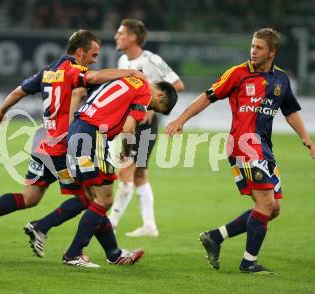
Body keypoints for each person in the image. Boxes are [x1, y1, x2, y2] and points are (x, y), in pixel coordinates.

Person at [0, 30, 146, 247]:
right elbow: (94, 78)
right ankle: (54, 235)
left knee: (29, 198)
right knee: (93, 198)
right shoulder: (74, 70)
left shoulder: (48, 72)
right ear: (80, 52)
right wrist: (130, 73)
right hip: (64, 147)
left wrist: (1, 111)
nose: (94, 61)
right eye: (93, 55)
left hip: (43, 145)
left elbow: (19, 91)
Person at [166, 28, 315, 274]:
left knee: (273, 209)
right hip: (244, 145)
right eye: (252, 46)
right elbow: (207, 97)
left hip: (264, 148)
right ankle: (249, 263)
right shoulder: (238, 73)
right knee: (266, 205)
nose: (253, 51)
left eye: (259, 48)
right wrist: (181, 119)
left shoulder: (281, 79)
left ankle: (216, 236)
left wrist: (305, 138)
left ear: (272, 52)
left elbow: (290, 111)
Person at [63, 76, 178, 267]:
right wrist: (126, 152)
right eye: (154, 107)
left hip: (78, 130)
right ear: (159, 94)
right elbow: (128, 129)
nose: (149, 110)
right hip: (94, 136)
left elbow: (85, 88)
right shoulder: (144, 92)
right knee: (105, 200)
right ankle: (73, 253)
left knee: (95, 199)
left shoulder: (127, 79)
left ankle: (114, 253)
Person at [109, 19, 185, 237]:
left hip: (145, 125)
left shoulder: (152, 60)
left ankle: (111, 222)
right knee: (140, 174)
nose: (117, 37)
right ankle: (149, 225)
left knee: (126, 170)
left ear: (133, 37)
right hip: (129, 122)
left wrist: (151, 108)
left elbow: (177, 84)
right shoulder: (123, 59)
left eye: (121, 33)